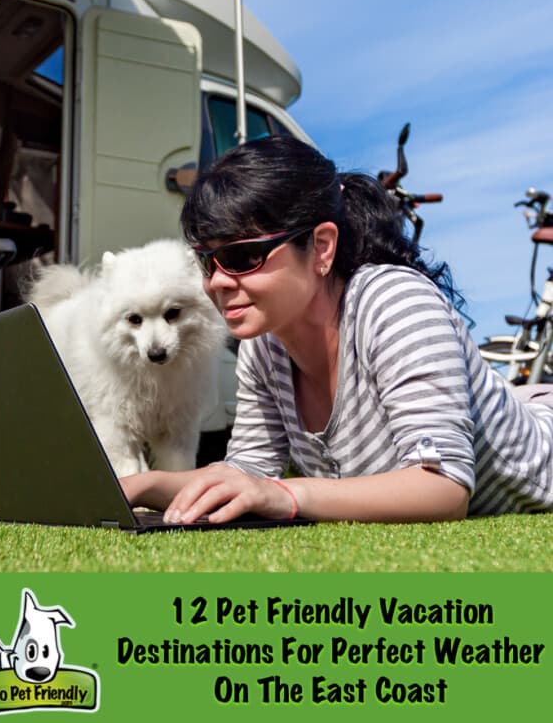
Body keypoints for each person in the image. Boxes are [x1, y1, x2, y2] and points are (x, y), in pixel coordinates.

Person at [120, 136, 553, 525]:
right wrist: (144, 485)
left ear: (322, 247)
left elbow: (442, 488)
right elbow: (248, 474)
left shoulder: (393, 301)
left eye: (242, 257)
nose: (216, 282)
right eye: (206, 261)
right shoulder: (264, 343)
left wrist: (287, 494)